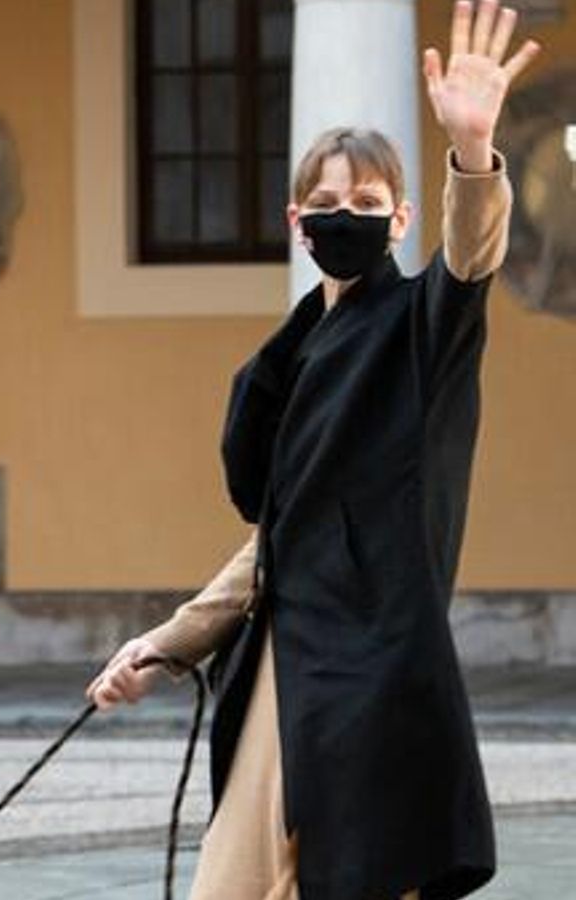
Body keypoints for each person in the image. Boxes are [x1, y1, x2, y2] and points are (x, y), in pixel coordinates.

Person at [86, 3, 539, 898]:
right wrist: (165, 646)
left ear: (402, 219)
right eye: (327, 205)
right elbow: (277, 538)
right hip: (283, 665)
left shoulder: (423, 328)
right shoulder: (285, 363)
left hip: (375, 680)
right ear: (298, 220)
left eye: (366, 204)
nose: (345, 218)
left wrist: (473, 151)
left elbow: (471, 259)